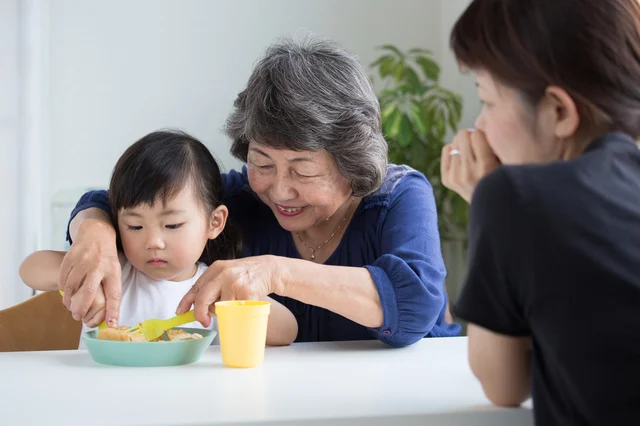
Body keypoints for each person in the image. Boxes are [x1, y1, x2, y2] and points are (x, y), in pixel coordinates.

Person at [58, 37, 461, 348]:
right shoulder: (243, 199)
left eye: (302, 169)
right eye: (262, 163)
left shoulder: (398, 196)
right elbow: (136, 200)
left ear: (350, 161)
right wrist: (95, 227)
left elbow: (414, 303)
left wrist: (276, 272)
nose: (279, 190)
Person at [441, 0, 640, 424]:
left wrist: (485, 202)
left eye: (488, 101)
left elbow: (505, 385)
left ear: (559, 111)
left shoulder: (514, 197)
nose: (479, 126)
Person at [20, 130, 298, 347]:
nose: (153, 241)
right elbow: (30, 269)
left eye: (172, 225)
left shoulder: (212, 286)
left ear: (214, 223)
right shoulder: (114, 273)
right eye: (135, 227)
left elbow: (287, 330)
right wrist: (86, 280)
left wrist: (231, 303)